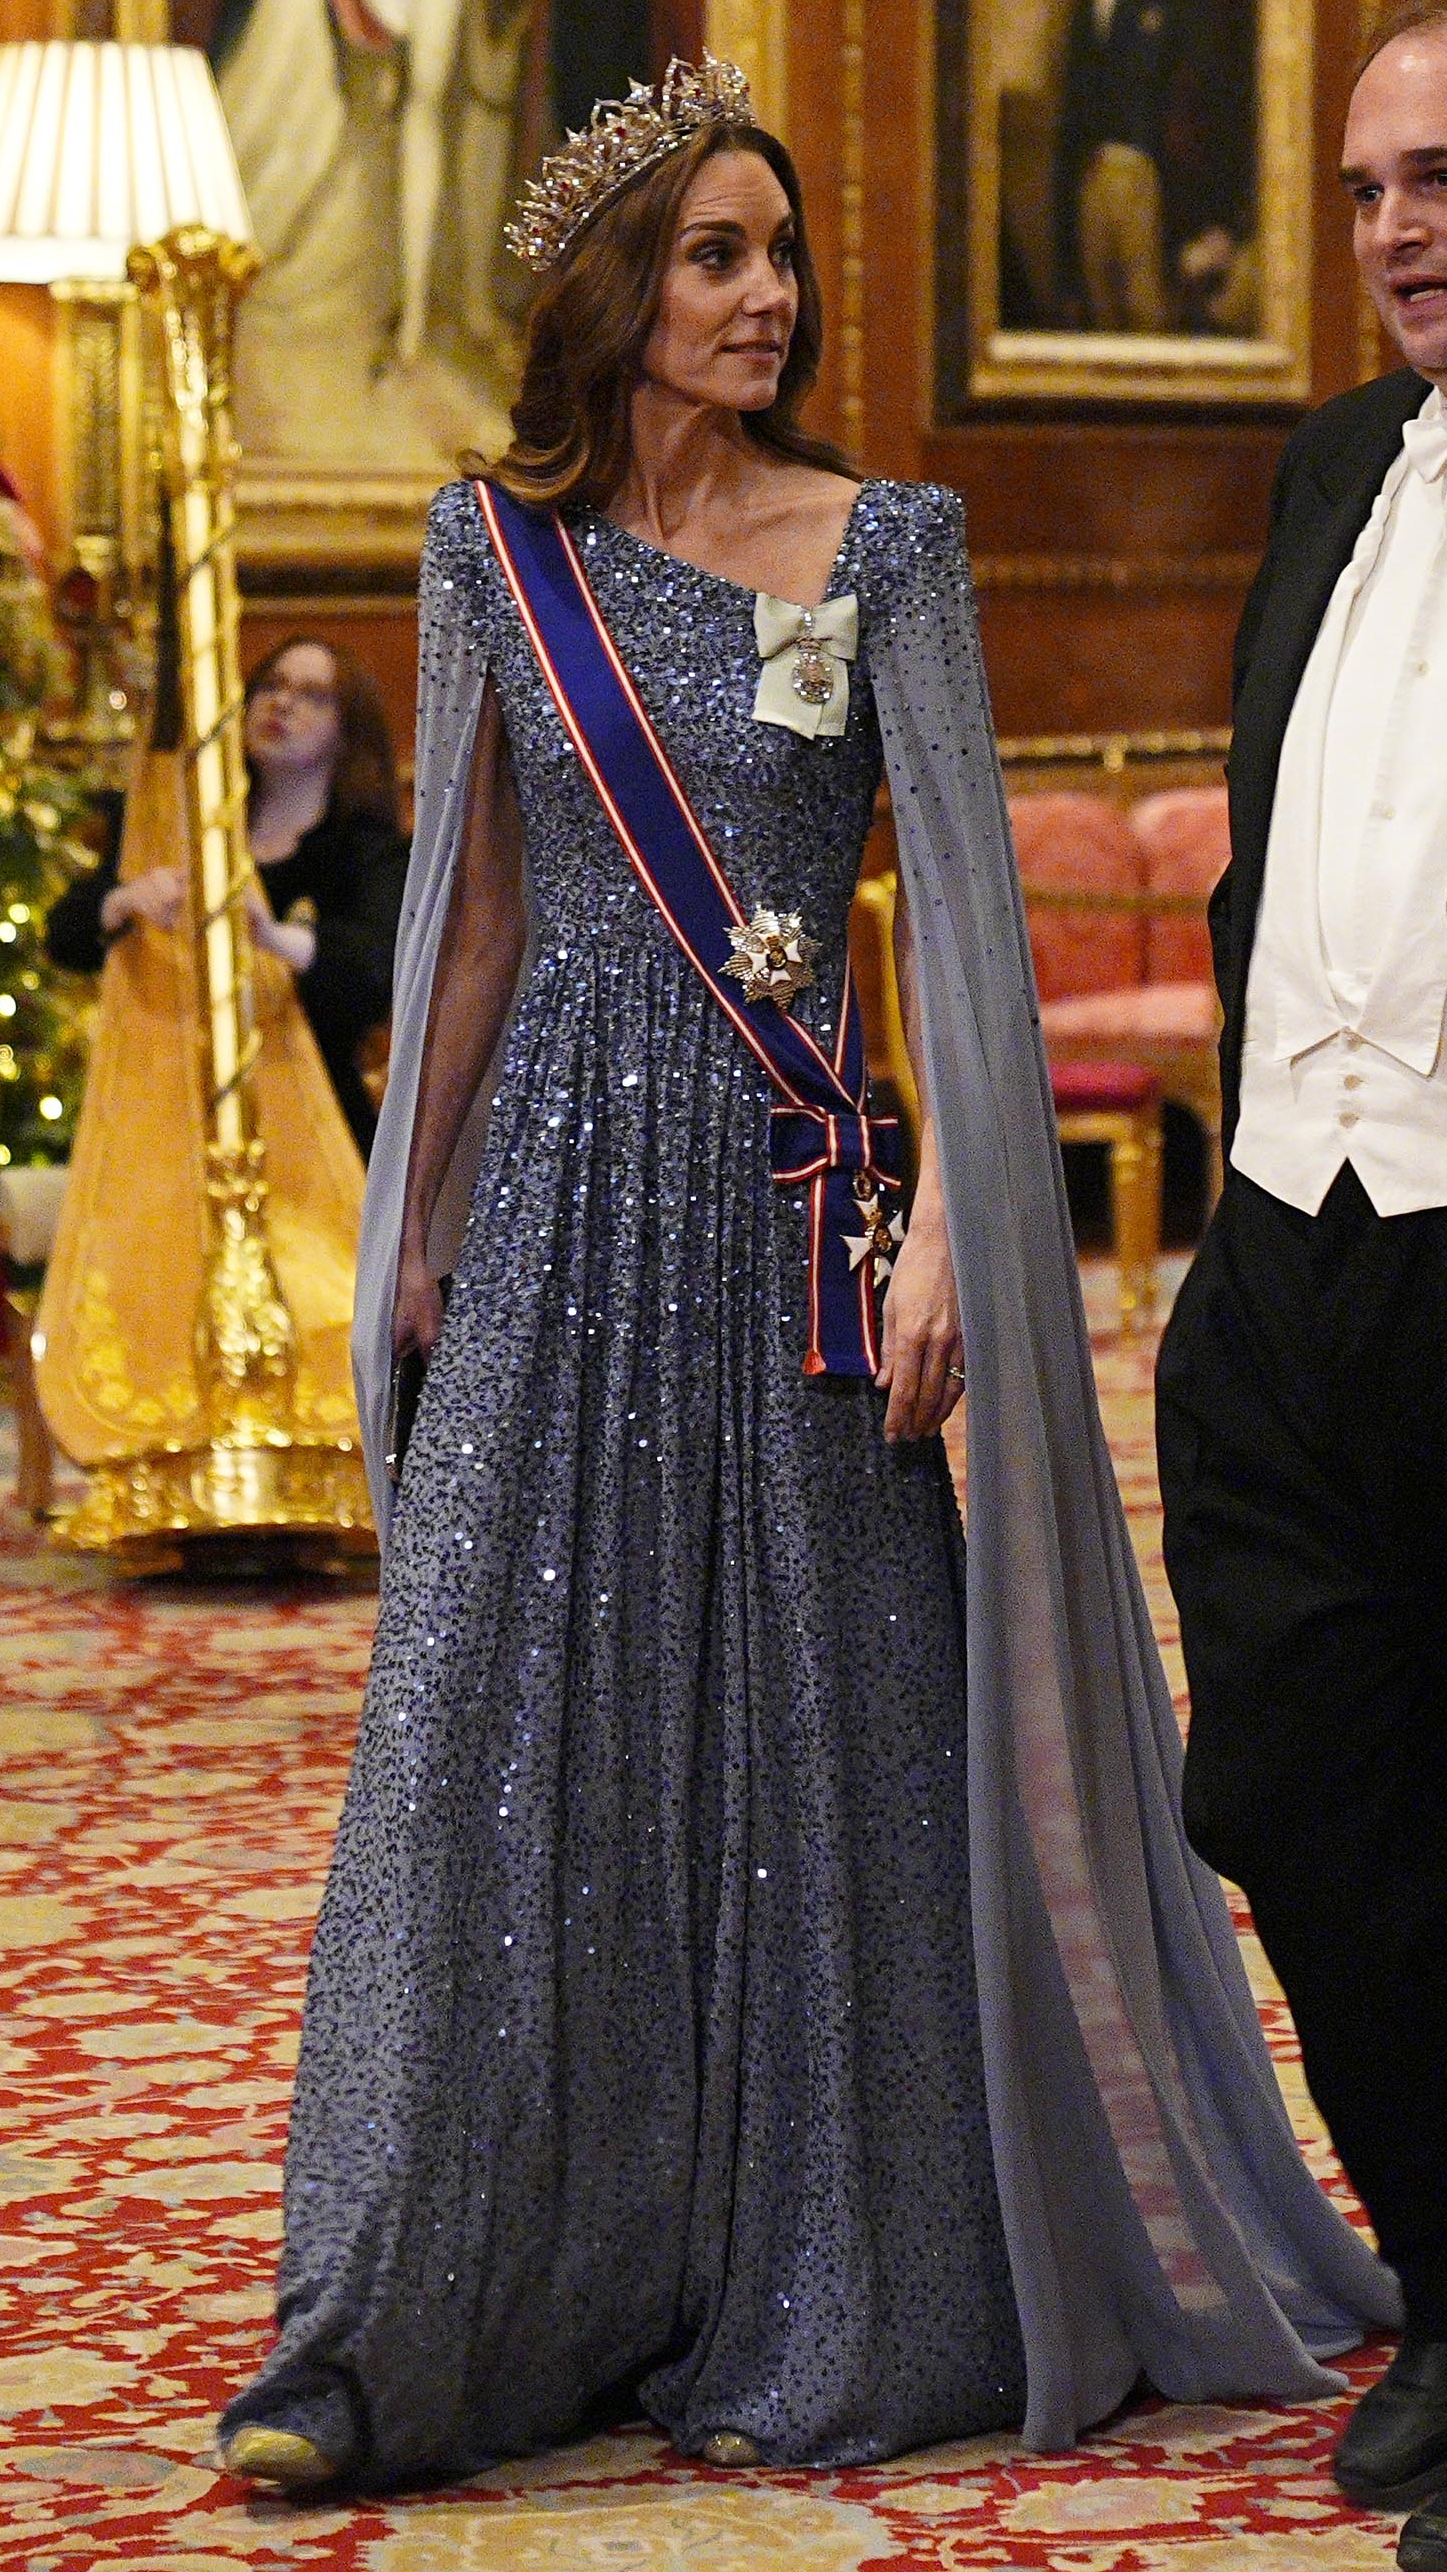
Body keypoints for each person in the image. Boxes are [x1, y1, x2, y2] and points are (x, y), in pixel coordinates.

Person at [217, 54, 1392, 2500]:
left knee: (820, 1736)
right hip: (550, 1210)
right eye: (712, 257)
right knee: (490, 1749)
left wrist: (971, 1214)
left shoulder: (891, 547)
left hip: (790, 1214)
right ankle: (402, 2323)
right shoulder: (484, 550)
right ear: (613, 297)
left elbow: (957, 901)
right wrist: (405, 1218)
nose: (762, 297)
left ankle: (837, 2282)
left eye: (777, 254)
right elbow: (482, 923)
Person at [1155, 10, 1447, 2565]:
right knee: (1273, 1771)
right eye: (1364, 189)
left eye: (1440, 176)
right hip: (1285, 1252)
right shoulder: (1330, 459)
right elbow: (1273, 846)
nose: (1395, 228)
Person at [46, 636, 408, 1158]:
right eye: (272, 685)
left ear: (347, 732)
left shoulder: (366, 851)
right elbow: (65, 937)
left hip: (316, 1123)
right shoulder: (182, 825)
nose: (281, 703)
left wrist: (275, 938)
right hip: (169, 1106)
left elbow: (376, 974)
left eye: (312, 695)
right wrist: (123, 900)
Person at [1054, 0, 1255, 335]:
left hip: (1161, 194)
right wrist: (1066, 272)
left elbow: (1213, 112)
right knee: (1104, 327)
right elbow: (1072, 126)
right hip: (1096, 177)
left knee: (1149, 323)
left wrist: (1218, 223)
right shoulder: (1086, 14)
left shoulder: (1188, 14)